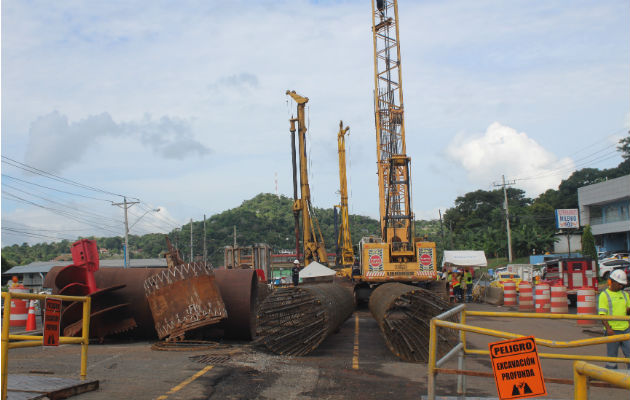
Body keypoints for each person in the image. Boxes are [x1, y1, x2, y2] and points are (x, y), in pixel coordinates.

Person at [598, 269, 630, 370]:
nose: (621, 286)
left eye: (622, 285)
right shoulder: (604, 295)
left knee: (629, 353)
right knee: (612, 356)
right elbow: (602, 315)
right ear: (613, 282)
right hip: (612, 330)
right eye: (619, 284)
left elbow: (628, 310)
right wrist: (608, 329)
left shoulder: (625, 295)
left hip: (625, 329)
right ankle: (611, 375)